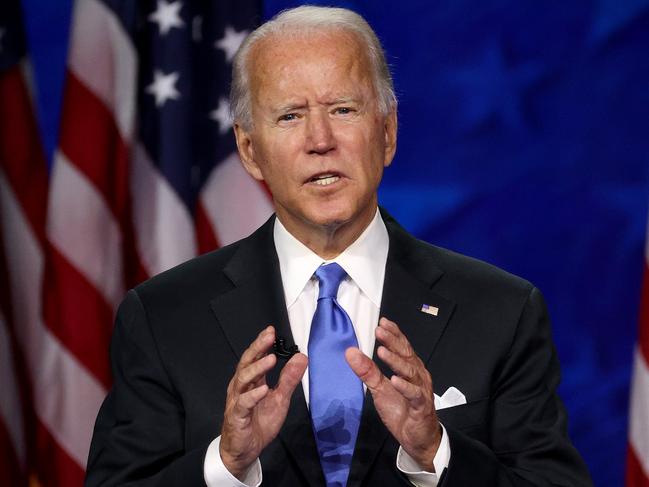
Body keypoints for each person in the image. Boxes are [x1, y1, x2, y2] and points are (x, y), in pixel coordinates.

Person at [85, 6, 592, 487]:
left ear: (388, 132)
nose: (320, 139)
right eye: (289, 116)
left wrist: (437, 452)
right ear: (248, 149)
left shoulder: (501, 312)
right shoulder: (163, 317)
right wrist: (226, 464)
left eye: (343, 109)